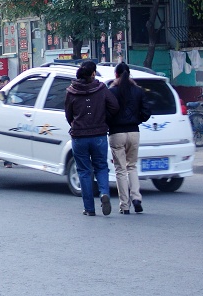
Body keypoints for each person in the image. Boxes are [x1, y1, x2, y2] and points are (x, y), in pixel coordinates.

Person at [64, 61, 119, 216]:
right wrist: (103, 119)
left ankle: (89, 208)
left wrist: (76, 124)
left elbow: (68, 115)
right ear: (93, 73)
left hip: (79, 136)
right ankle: (104, 193)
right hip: (99, 135)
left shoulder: (71, 91)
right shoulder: (101, 89)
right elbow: (115, 106)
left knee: (83, 171)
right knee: (101, 167)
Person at [108, 62, 151, 214]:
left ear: (116, 75)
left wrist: (110, 123)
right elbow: (147, 111)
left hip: (116, 133)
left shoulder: (111, 92)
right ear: (129, 74)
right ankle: (137, 198)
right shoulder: (138, 91)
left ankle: (124, 205)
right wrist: (137, 119)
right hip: (134, 132)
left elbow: (106, 113)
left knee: (120, 169)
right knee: (132, 166)